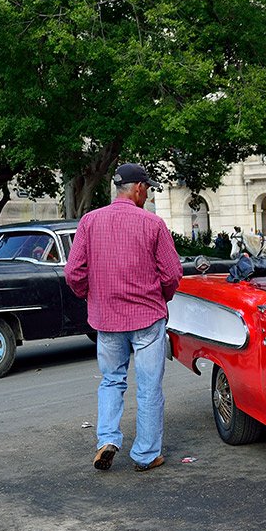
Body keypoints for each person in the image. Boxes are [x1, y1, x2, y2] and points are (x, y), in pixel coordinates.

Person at [66, 163, 183, 472]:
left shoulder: (90, 222)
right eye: (148, 189)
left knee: (111, 381)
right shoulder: (152, 224)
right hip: (147, 318)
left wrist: (92, 296)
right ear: (139, 189)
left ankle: (107, 439)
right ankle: (146, 455)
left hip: (106, 319)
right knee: (148, 387)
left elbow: (73, 272)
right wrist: (163, 296)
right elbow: (172, 274)